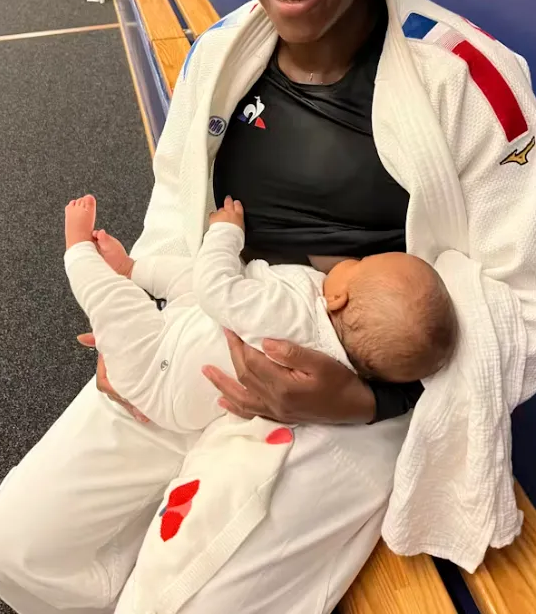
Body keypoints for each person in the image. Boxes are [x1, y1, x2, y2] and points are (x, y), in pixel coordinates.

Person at [0, 0, 536, 614]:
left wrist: (370, 394)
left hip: (343, 397)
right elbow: (176, 211)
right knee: (17, 550)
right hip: (206, 339)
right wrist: (147, 315)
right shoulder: (223, 54)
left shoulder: (467, 79)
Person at [61, 192, 455, 613]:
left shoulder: (294, 316)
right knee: (188, 283)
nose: (352, 260)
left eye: (361, 265)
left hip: (158, 372)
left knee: (118, 306)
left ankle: (78, 253)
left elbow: (216, 290)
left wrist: (225, 234)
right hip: (192, 335)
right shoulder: (341, 346)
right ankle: (130, 269)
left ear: (339, 300)